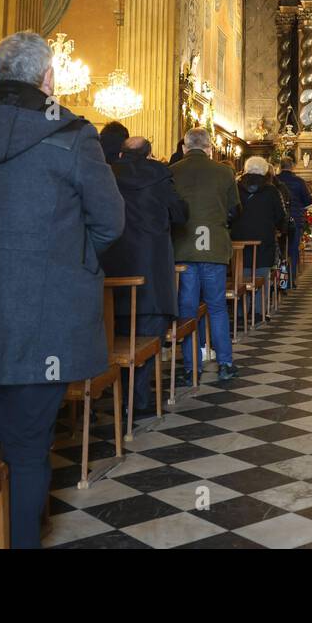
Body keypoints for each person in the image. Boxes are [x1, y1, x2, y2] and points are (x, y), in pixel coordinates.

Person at [0, 31, 123, 548]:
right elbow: (110, 222)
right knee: (26, 447)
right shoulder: (72, 135)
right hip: (44, 317)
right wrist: (64, 261)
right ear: (48, 79)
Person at [100, 135, 188, 419]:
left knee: (115, 331)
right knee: (150, 333)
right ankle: (137, 399)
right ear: (150, 153)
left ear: (122, 153)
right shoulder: (160, 176)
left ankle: (116, 392)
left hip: (114, 263)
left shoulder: (106, 174)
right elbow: (180, 214)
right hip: (151, 265)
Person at [171, 127, 242, 382]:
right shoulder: (224, 172)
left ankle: (192, 368)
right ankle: (225, 363)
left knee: (187, 309)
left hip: (185, 248)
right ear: (210, 148)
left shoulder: (173, 171)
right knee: (217, 308)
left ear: (184, 148)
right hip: (214, 249)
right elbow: (235, 211)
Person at [230, 156, 287, 319]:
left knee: (241, 274)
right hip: (263, 238)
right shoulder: (271, 190)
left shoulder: (236, 187)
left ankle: (241, 312)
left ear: (246, 170)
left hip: (239, 238)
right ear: (265, 171)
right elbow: (279, 215)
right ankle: (259, 311)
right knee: (262, 273)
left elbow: (230, 211)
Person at [276, 156, 312, 285]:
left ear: (280, 167)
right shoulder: (299, 181)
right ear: (292, 167)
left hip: (279, 221)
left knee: (280, 251)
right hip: (295, 219)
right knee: (292, 249)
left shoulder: (275, 180)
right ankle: (290, 279)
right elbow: (308, 200)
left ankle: (281, 281)